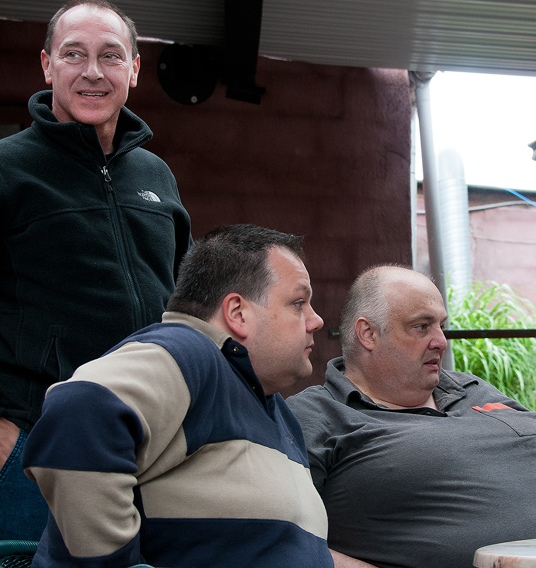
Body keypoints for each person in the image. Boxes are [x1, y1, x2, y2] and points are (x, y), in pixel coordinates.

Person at [0, 0, 192, 544]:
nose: (92, 71)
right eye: (74, 54)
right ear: (48, 66)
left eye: (110, 55)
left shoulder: (156, 177)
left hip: (151, 450)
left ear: (135, 69)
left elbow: (184, 310)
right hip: (38, 453)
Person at [21, 224, 333, 568]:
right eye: (299, 302)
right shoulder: (193, 354)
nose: (315, 320)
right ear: (238, 313)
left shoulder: (272, 403)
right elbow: (77, 411)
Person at [286, 265, 536, 568]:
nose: (441, 340)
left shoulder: (474, 389)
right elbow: (281, 538)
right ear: (368, 334)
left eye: (440, 325)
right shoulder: (318, 415)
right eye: (421, 327)